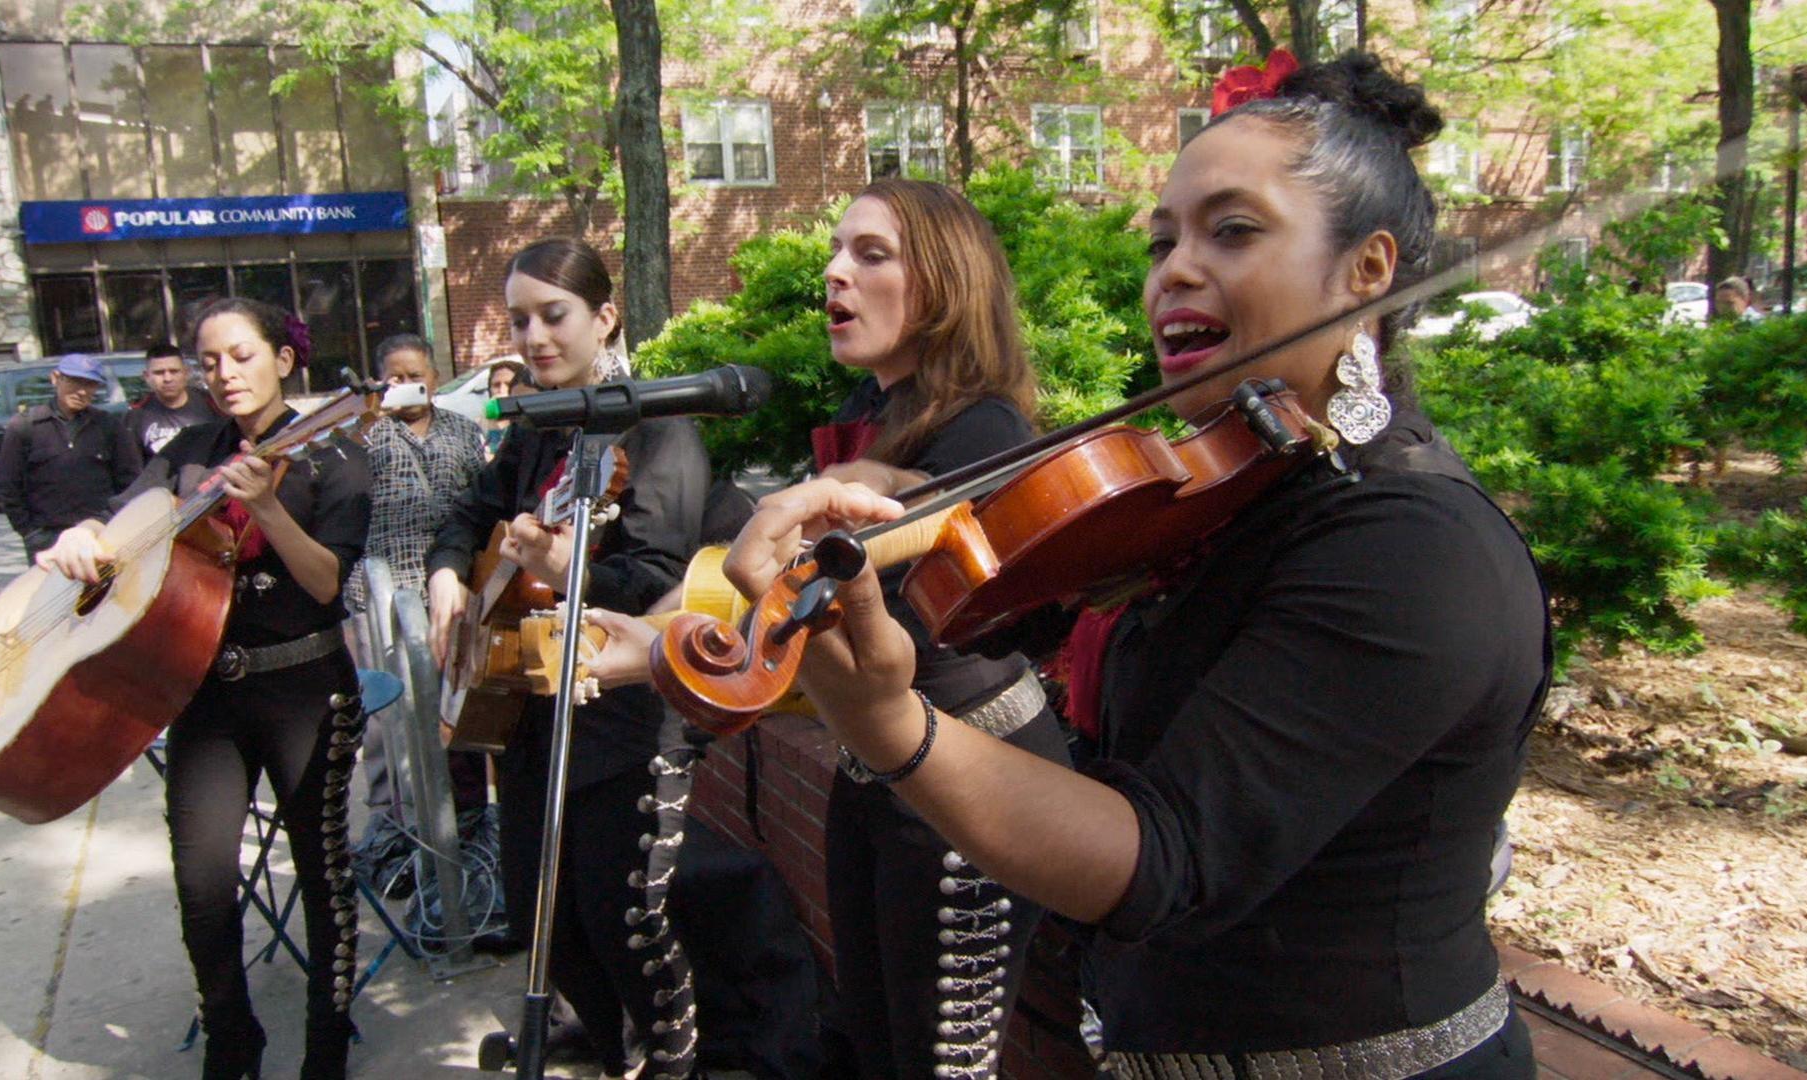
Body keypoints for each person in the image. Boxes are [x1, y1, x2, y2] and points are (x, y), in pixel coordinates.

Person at [698, 53, 1549, 1078]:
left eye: (1232, 231)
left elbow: (1163, 860)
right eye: (1162, 241)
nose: (1173, 271)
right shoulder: (1240, 496)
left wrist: (886, 721)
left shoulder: (1413, 548)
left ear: (1366, 272)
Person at [585, 178, 1072, 1079]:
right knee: (865, 1043)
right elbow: (795, 594)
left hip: (975, 778)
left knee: (934, 1062)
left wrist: (661, 651)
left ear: (947, 281)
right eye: (835, 251)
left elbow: (857, 616)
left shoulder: (983, 429)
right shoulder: (877, 419)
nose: (834, 272)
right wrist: (658, 635)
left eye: (870, 254)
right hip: (878, 766)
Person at [37, 297, 372, 1080]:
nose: (223, 373)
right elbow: (124, 523)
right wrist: (85, 534)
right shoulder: (191, 448)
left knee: (323, 877)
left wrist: (266, 510)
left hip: (305, 687)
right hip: (205, 694)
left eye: (242, 355)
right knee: (201, 884)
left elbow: (327, 583)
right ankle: (232, 1036)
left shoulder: (336, 456)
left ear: (285, 360)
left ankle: (327, 1046)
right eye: (210, 359)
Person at [425, 239, 710, 1079]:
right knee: (539, 913)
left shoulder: (660, 431)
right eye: (520, 319)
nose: (535, 335)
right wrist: (447, 575)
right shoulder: (539, 432)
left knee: (623, 919)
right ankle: (601, 1031)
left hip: (619, 714)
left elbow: (662, 579)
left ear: (605, 317)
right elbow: (465, 515)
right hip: (528, 709)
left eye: (555, 314)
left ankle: (669, 1059)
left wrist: (562, 569)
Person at [346, 333, 489, 853]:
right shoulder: (364, 434)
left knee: (458, 704)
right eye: (395, 377)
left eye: (415, 375)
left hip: (451, 589)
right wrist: (361, 419)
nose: (406, 386)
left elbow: (481, 498)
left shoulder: (461, 430)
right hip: (383, 590)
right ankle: (393, 822)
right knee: (390, 714)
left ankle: (466, 819)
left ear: (433, 377)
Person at [0, 353, 142, 560]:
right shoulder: (25, 426)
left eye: (90, 384)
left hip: (100, 533)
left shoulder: (108, 426)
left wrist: (112, 523)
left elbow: (130, 481)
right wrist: (30, 533)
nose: (82, 391)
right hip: (48, 537)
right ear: (55, 378)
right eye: (74, 381)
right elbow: (8, 485)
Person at [126, 340, 220, 459]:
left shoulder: (213, 403)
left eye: (174, 371)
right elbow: (133, 466)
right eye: (159, 373)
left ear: (186, 373)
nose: (167, 378)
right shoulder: (136, 415)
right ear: (146, 377)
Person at [484, 355, 535, 458]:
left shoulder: (528, 427)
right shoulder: (481, 424)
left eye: (508, 384)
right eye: (496, 385)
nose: (501, 390)